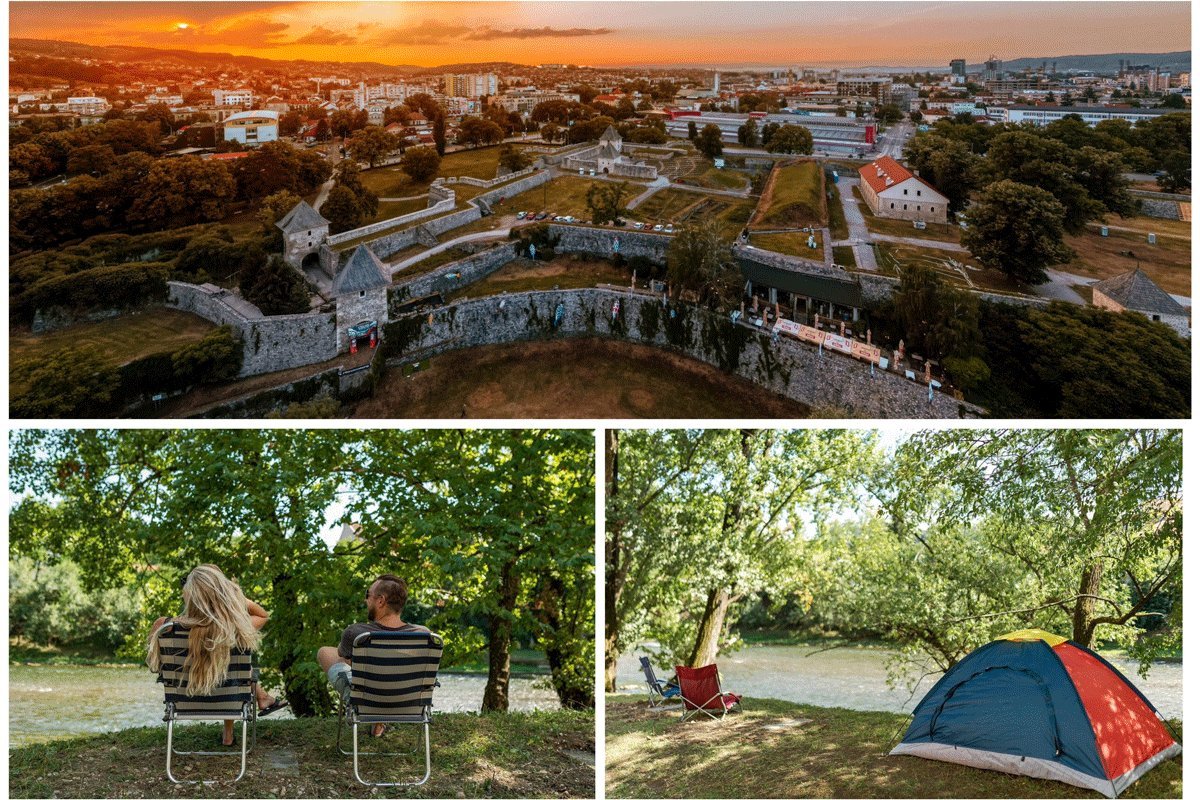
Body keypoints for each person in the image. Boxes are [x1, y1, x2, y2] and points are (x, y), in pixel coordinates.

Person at [147, 565, 288, 746]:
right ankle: (232, 730)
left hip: (184, 698)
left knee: (218, 663)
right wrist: (234, 597)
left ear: (189, 595)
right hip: (227, 699)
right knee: (233, 665)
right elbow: (262, 615)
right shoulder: (236, 630)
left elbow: (156, 665)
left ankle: (255, 705)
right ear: (221, 596)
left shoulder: (165, 626)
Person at [317, 574, 430, 736]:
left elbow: (342, 656)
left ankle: (376, 711)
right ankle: (380, 720)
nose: (366, 600)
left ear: (380, 601)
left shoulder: (357, 633)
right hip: (409, 702)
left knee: (325, 652)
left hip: (366, 701)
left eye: (368, 595)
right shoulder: (423, 634)